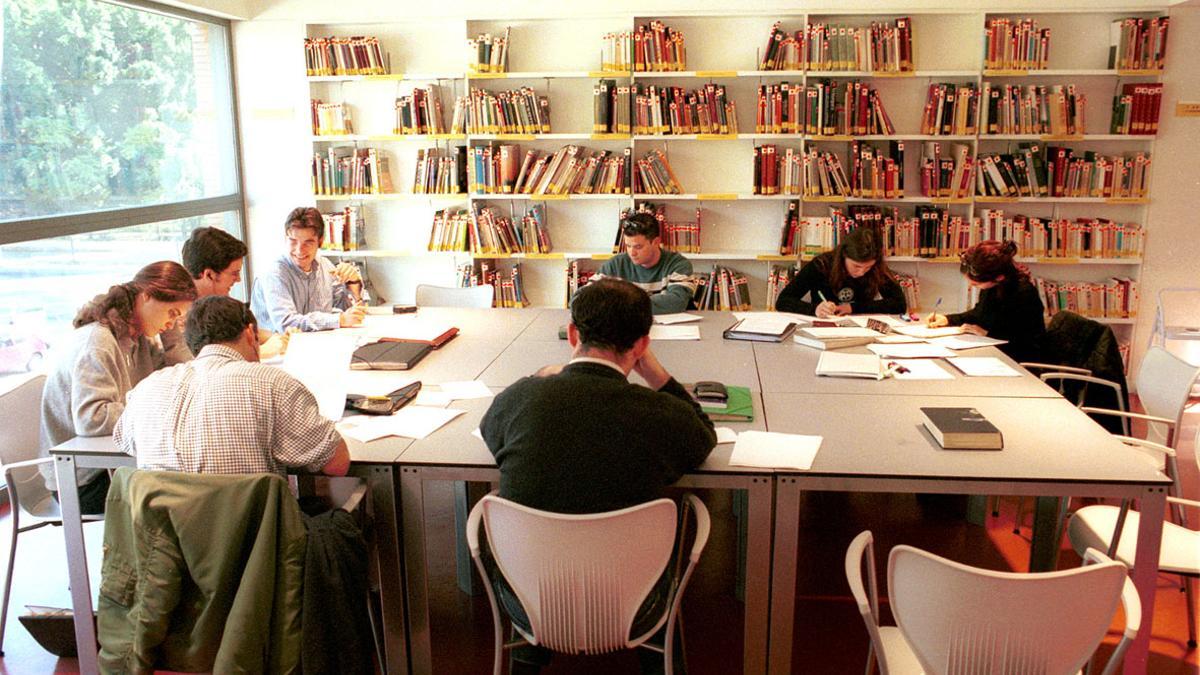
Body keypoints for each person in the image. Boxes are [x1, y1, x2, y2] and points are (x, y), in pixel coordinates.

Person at [479, 278, 716, 674]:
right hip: (636, 605)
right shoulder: (658, 413)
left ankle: (529, 655)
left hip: (528, 600)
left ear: (573, 334)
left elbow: (493, 435)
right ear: (641, 345)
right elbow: (703, 435)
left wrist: (543, 378)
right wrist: (658, 376)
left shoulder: (520, 399)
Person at [115, 295, 350, 477]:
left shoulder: (147, 389)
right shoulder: (273, 384)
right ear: (250, 333)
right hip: (257, 536)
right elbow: (337, 464)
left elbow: (124, 442)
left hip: (167, 536)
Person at [39, 261, 198, 514]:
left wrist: (172, 339)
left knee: (199, 473)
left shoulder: (138, 338)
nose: (171, 323)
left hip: (115, 464)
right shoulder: (98, 342)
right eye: (171, 313)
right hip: (83, 480)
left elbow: (181, 378)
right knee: (192, 489)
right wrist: (150, 407)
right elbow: (92, 419)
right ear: (146, 296)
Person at [925, 239, 1046, 363]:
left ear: (999, 277)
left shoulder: (1024, 293)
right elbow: (979, 314)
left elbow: (1025, 339)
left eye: (976, 284)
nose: (971, 286)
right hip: (996, 353)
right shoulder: (993, 285)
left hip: (1020, 361)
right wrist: (947, 320)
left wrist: (988, 333)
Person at [250, 207, 366, 332]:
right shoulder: (274, 274)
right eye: (293, 241)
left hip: (315, 343)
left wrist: (353, 283)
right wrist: (338, 320)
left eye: (308, 242)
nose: (299, 250)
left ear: (320, 242)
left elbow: (346, 312)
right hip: (280, 347)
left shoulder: (325, 266)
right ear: (285, 238)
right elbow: (287, 324)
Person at [774, 226, 907, 317]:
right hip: (822, 328)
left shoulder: (877, 267)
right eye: (856, 266)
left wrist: (853, 308)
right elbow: (783, 301)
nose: (861, 272)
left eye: (868, 268)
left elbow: (899, 305)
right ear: (843, 255)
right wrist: (814, 309)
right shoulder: (821, 264)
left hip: (860, 330)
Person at [593, 212, 697, 315]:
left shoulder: (678, 264)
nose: (632, 253)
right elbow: (584, 297)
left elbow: (677, 302)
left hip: (670, 329)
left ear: (656, 242)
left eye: (638, 247)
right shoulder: (616, 264)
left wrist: (620, 305)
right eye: (628, 246)